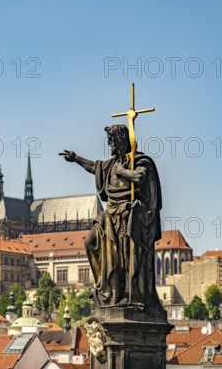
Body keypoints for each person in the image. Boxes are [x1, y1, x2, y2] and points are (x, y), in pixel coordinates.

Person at [60, 124, 162, 310]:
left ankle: (128, 296)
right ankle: (105, 288)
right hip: (110, 214)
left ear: (122, 140)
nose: (110, 145)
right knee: (91, 242)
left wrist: (123, 172)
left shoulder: (139, 161)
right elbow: (94, 167)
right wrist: (76, 159)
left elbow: (141, 178)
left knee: (125, 257)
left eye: (112, 141)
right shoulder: (111, 164)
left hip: (128, 215)